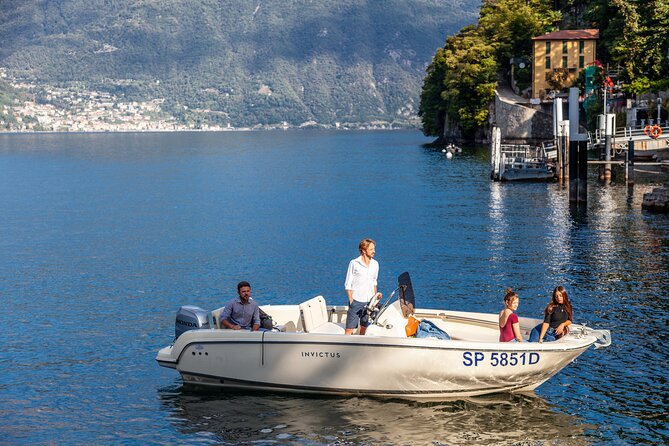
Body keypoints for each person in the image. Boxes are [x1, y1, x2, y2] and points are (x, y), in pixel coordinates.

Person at [344, 238, 381, 335]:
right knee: (349, 329)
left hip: (369, 302)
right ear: (364, 251)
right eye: (371, 249)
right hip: (356, 301)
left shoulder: (375, 264)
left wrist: (376, 297)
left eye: (374, 249)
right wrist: (351, 300)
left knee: (364, 327)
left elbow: (374, 282)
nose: (374, 251)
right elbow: (348, 284)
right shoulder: (354, 263)